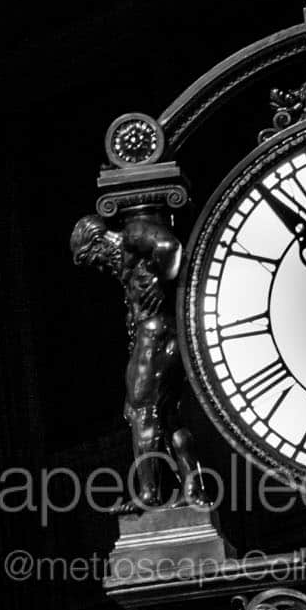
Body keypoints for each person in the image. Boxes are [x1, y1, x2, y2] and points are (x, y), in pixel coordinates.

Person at [70, 212, 205, 507]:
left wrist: (160, 281)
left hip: (155, 332)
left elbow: (169, 246)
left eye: (90, 258)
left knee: (141, 410)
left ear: (97, 242)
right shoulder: (122, 257)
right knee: (166, 416)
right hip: (158, 332)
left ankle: (150, 493)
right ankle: (194, 491)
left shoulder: (131, 235)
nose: (97, 266)